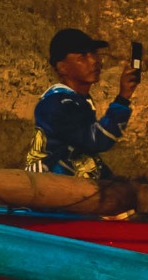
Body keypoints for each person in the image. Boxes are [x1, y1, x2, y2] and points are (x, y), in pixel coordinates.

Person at [28, 28, 139, 179]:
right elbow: (96, 141)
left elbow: (86, 156)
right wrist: (123, 98)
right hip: (50, 185)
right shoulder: (57, 104)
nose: (94, 61)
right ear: (62, 67)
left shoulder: (77, 100)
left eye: (94, 53)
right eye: (82, 57)